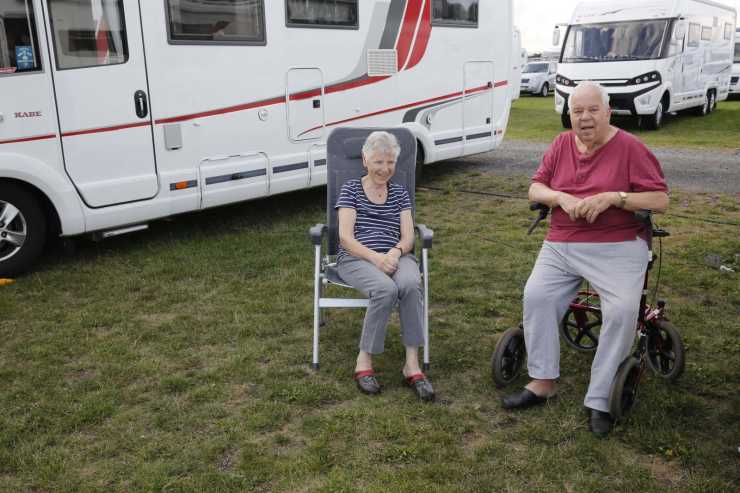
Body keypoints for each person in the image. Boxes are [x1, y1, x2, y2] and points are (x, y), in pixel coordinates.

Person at [501, 81, 669, 436]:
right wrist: (560, 197)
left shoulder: (630, 147)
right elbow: (535, 188)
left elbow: (659, 199)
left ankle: (600, 398)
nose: (585, 117)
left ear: (608, 112)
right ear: (570, 115)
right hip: (562, 243)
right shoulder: (561, 144)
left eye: (593, 110)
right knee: (537, 296)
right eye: (577, 111)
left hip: (618, 245)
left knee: (621, 312)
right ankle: (543, 381)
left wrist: (614, 198)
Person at [335, 131, 434, 402]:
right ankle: (363, 361)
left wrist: (395, 252)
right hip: (356, 258)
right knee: (385, 289)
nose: (385, 168)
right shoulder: (351, 189)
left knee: (410, 284)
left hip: (395, 256)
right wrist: (376, 258)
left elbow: (408, 237)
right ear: (365, 160)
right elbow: (345, 238)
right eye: (379, 161)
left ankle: (411, 364)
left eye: (390, 162)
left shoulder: (400, 193)